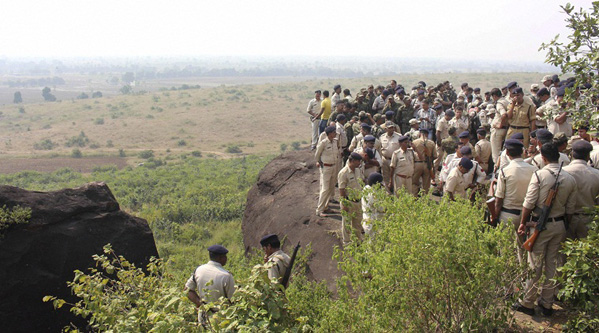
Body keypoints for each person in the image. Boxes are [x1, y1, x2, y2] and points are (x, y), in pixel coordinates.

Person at [514, 142, 577, 317]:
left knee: (534, 265)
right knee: (552, 264)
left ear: (543, 157)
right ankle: (547, 302)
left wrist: (523, 222)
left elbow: (529, 202)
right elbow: (570, 209)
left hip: (540, 226)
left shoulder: (540, 175)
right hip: (560, 224)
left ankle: (527, 302)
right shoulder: (570, 178)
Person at [494, 139, 537, 264]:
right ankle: (523, 273)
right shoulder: (533, 170)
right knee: (523, 249)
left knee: (505, 249)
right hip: (528, 215)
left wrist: (495, 216)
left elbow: (499, 198)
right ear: (523, 152)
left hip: (507, 214)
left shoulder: (505, 171)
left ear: (507, 153)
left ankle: (508, 274)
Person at [185, 245, 235, 324]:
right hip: (221, 319)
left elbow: (187, 290)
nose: (226, 258)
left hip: (203, 316)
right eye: (225, 256)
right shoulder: (226, 276)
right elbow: (233, 300)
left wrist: (200, 304)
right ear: (220, 258)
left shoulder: (199, 270)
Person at [562, 140, 599, 239]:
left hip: (566, 218)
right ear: (588, 156)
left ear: (572, 154)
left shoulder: (562, 172)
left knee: (565, 250)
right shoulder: (596, 174)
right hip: (589, 219)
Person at [338, 152, 365, 244]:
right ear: (352, 161)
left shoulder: (358, 170)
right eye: (358, 161)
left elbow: (361, 182)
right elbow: (341, 189)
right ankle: (347, 241)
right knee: (347, 223)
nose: (359, 164)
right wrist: (344, 203)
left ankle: (358, 240)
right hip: (348, 201)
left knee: (357, 222)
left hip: (358, 201)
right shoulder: (343, 173)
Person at [315, 126, 340, 217]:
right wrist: (319, 162)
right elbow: (317, 155)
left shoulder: (335, 141)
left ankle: (326, 206)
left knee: (331, 187)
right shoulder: (323, 143)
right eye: (334, 132)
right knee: (325, 189)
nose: (335, 134)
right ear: (329, 134)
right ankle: (319, 210)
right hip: (326, 167)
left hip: (334, 166)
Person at [412, 128, 436, 195]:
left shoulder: (415, 142)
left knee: (414, 182)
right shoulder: (431, 143)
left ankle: (414, 198)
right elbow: (435, 156)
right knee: (426, 184)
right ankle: (424, 200)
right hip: (427, 164)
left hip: (417, 163)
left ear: (420, 134)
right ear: (427, 134)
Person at [362, 172, 384, 237]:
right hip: (373, 221)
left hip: (367, 218)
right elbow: (381, 209)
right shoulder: (373, 195)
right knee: (374, 243)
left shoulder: (366, 188)